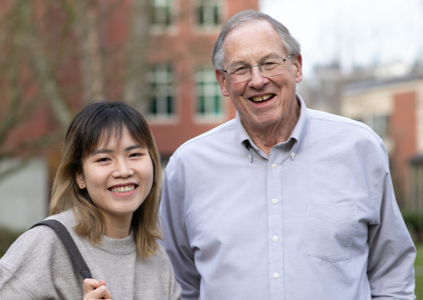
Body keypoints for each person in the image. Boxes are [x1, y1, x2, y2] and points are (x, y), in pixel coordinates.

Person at [159, 10, 416, 300]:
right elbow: (178, 284)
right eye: (240, 69)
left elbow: (391, 272)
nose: (257, 80)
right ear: (222, 81)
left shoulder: (359, 148)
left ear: (297, 67)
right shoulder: (187, 167)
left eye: (270, 63)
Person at [0, 101, 181, 300]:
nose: (124, 171)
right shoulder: (46, 244)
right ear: (79, 176)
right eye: (104, 159)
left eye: (135, 154)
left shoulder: (158, 260)